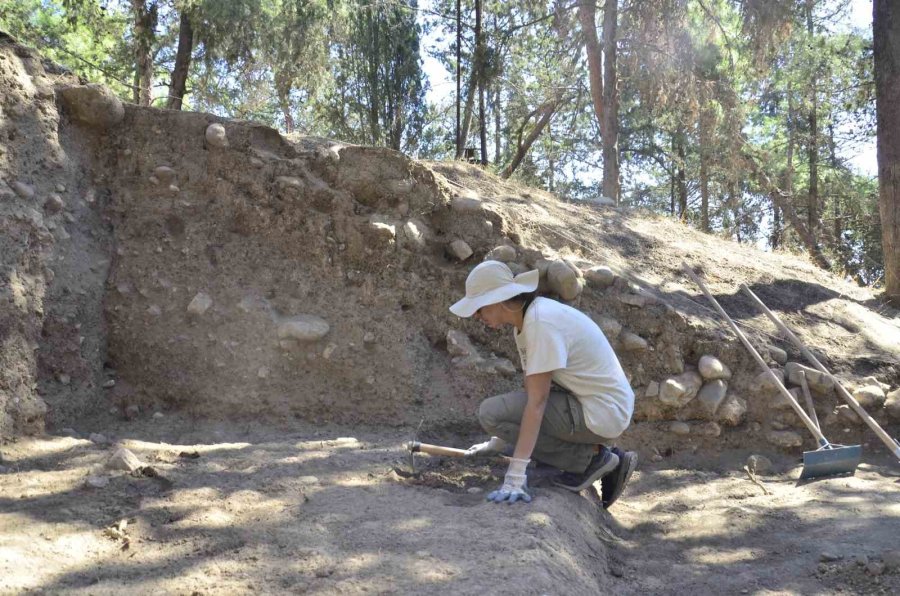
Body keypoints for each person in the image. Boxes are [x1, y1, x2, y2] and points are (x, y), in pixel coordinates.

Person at [449, 260, 637, 508]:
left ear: (496, 299)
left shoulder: (540, 323)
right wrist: (501, 440)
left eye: (478, 308)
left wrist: (515, 475)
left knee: (492, 414)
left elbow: (537, 403)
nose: (476, 316)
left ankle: (591, 459)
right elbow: (532, 390)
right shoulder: (529, 321)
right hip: (597, 407)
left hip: (602, 413)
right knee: (500, 415)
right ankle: (593, 455)